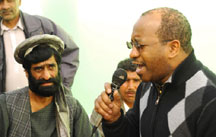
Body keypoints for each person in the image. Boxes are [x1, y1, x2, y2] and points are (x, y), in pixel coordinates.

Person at [94, 7, 216, 137]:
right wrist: (114, 120)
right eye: (132, 45)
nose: (132, 53)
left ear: (173, 48)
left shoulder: (209, 96)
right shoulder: (146, 86)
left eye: (139, 45)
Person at [0, 34, 99, 137]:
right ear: (27, 73)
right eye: (39, 69)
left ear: (58, 68)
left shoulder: (72, 107)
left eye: (51, 67)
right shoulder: (6, 105)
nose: (46, 76)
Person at [0, 0, 79, 93]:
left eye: (10, 0)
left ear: (19, 1)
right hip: (5, 104)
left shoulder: (42, 25)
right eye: (0, 2)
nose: (5, 6)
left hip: (45, 101)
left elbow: (70, 52)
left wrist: (60, 85)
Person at [90, 58, 141, 137]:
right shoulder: (105, 106)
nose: (131, 87)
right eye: (126, 81)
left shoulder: (149, 106)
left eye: (136, 80)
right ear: (118, 82)